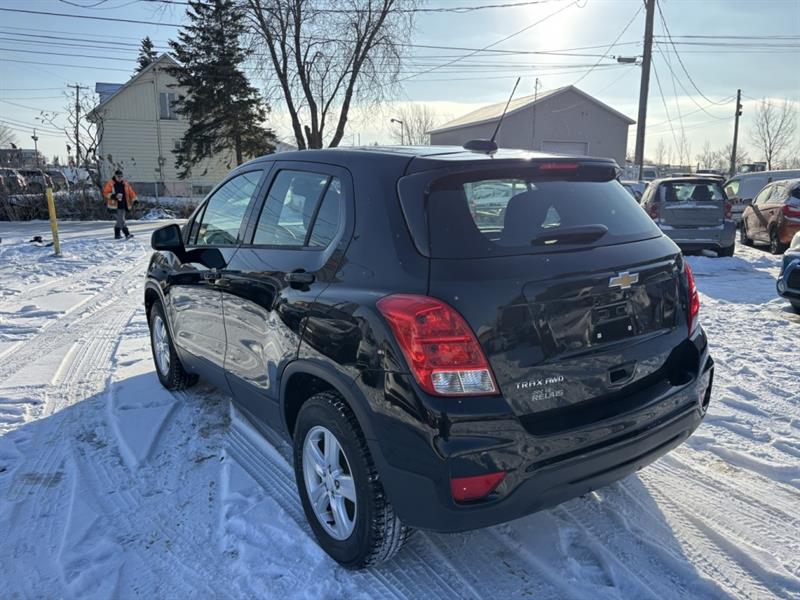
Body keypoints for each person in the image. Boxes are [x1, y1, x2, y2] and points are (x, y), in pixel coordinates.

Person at [103, 169, 137, 239]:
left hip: (124, 204)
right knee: (121, 220)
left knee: (119, 220)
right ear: (115, 176)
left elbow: (131, 192)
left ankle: (117, 235)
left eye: (121, 176)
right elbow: (105, 193)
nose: (120, 178)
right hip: (114, 206)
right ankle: (127, 234)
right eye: (118, 176)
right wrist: (113, 196)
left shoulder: (125, 183)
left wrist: (135, 200)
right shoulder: (110, 183)